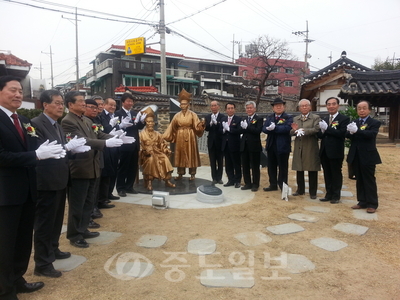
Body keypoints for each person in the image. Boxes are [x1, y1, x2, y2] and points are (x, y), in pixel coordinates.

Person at [0, 76, 65, 299]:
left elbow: (33, 145)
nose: (18, 94)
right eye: (12, 90)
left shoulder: (20, 120)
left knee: (22, 241)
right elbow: (2, 156)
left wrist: (51, 148)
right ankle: (5, 290)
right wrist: (35, 155)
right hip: (6, 193)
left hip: (28, 190)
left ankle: (18, 279)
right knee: (6, 244)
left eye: (20, 90)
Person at [61, 91, 133, 248]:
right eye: (80, 101)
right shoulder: (68, 121)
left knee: (88, 201)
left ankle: (84, 228)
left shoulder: (86, 120)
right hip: (79, 167)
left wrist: (115, 138)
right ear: (70, 105)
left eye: (83, 101)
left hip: (93, 165)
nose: (83, 104)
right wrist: (105, 144)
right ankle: (74, 234)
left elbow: (98, 134)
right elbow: (82, 140)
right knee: (77, 203)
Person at [31, 90, 89, 278]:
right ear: (45, 105)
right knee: (45, 223)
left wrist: (73, 150)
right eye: (56, 103)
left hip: (60, 179)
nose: (60, 106)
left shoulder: (56, 124)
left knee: (56, 221)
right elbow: (41, 152)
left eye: (61, 103)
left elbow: (61, 152)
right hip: (46, 180)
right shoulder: (36, 124)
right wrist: (65, 148)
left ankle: (53, 248)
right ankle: (42, 263)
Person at [346, 100, 381, 213]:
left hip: (368, 155)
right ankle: (362, 201)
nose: (361, 110)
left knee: (369, 179)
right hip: (355, 155)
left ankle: (372, 204)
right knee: (359, 179)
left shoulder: (374, 122)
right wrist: (350, 132)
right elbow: (347, 135)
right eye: (359, 108)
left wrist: (357, 132)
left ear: (369, 110)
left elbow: (371, 134)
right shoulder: (355, 122)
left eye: (364, 108)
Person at [163, 89, 205, 180]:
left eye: (185, 104)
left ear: (188, 105)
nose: (183, 106)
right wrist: (166, 135)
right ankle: (180, 173)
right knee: (180, 154)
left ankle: (192, 174)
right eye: (181, 104)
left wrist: (201, 125)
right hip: (180, 136)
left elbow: (197, 126)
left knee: (191, 154)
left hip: (190, 136)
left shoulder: (193, 115)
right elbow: (172, 126)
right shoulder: (177, 115)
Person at [318, 97, 350, 204]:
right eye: (329, 104)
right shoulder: (325, 119)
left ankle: (336, 195)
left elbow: (341, 133)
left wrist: (327, 129)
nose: (331, 106)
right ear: (326, 106)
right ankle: (328, 194)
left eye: (333, 104)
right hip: (324, 150)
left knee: (336, 173)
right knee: (327, 173)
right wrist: (321, 130)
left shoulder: (343, 119)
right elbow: (320, 136)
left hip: (336, 151)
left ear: (338, 105)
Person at [115, 93, 146, 197]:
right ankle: (120, 188)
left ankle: (129, 186)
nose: (130, 103)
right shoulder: (118, 113)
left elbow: (139, 127)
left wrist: (142, 121)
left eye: (131, 101)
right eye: (128, 101)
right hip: (124, 144)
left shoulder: (134, 113)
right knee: (123, 166)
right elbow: (115, 128)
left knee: (133, 167)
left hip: (134, 143)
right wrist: (121, 125)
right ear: (123, 102)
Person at [290, 99, 321, 199]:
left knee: (312, 168)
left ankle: (313, 192)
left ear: (310, 107)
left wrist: (304, 130)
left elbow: (316, 129)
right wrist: (294, 131)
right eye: (302, 106)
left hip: (310, 145)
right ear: (299, 108)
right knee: (299, 168)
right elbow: (291, 131)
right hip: (299, 146)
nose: (304, 107)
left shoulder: (316, 118)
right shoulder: (296, 119)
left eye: (306, 106)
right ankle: (300, 189)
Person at [262, 98, 293, 191]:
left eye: (280, 105)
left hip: (283, 146)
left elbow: (287, 128)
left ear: (284, 107)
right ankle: (273, 184)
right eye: (276, 106)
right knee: (271, 166)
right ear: (273, 108)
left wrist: (275, 128)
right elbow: (264, 128)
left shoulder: (288, 117)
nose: (278, 107)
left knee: (283, 168)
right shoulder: (270, 117)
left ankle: (283, 185)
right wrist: (269, 129)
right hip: (271, 145)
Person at [139, 112, 175, 190]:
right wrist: (145, 151)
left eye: (152, 121)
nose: (150, 123)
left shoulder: (157, 134)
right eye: (148, 122)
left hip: (158, 152)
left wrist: (166, 150)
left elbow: (162, 144)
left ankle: (167, 180)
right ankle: (149, 182)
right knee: (151, 160)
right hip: (147, 155)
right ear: (145, 123)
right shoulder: (141, 134)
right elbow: (140, 146)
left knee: (165, 159)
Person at [99, 97, 120, 200]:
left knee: (114, 170)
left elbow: (118, 128)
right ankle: (104, 195)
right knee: (107, 171)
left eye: (114, 105)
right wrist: (110, 125)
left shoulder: (115, 116)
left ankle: (110, 192)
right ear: (104, 105)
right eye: (110, 105)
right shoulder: (101, 116)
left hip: (115, 146)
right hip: (106, 146)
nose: (113, 107)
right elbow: (104, 130)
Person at [240, 101, 263, 191]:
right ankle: (247, 183)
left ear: (254, 109)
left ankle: (255, 184)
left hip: (254, 146)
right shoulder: (244, 119)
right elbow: (240, 130)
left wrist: (247, 127)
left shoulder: (258, 119)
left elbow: (257, 131)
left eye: (250, 108)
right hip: (244, 145)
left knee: (255, 166)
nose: (249, 109)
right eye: (247, 108)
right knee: (245, 166)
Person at [221, 102, 242, 188]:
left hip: (235, 144)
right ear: (226, 110)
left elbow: (239, 130)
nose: (230, 110)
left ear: (234, 109)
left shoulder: (238, 119)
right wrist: (223, 130)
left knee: (236, 163)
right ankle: (231, 179)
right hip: (225, 145)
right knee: (228, 163)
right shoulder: (223, 119)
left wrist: (229, 129)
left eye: (232, 108)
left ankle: (237, 180)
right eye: (228, 108)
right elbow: (219, 130)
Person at [204, 100, 225, 184]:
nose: (213, 107)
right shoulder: (208, 117)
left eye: (215, 105)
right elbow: (206, 128)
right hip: (211, 142)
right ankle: (214, 178)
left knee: (220, 161)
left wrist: (216, 123)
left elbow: (222, 128)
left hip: (219, 141)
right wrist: (211, 124)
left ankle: (219, 177)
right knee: (212, 161)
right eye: (212, 106)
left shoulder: (222, 116)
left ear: (218, 106)